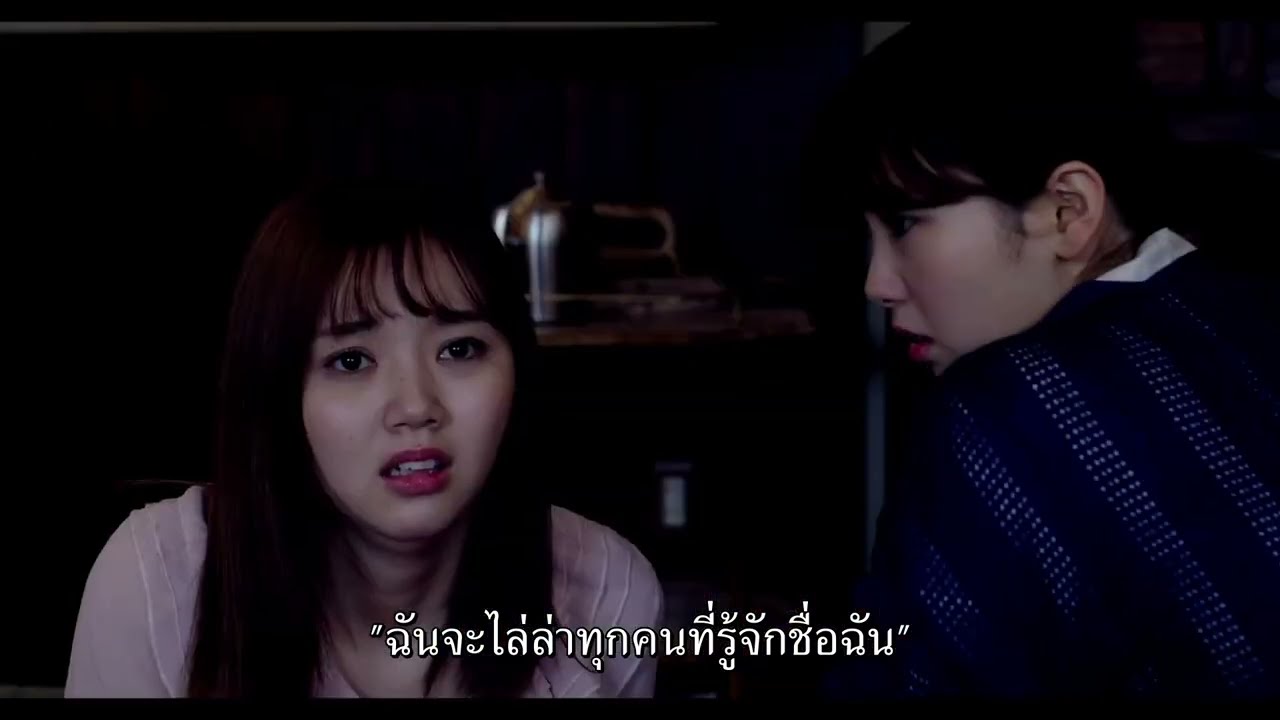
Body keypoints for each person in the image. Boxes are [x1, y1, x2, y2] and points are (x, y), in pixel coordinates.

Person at [809, 22, 1280, 698]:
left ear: (1068, 211)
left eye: (906, 223)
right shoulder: (1244, 319)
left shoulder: (1010, 411)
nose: (877, 283)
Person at [64, 182, 665, 698]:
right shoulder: (159, 589)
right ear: (278, 394)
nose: (416, 407)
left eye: (460, 349)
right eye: (351, 360)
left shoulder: (606, 599)